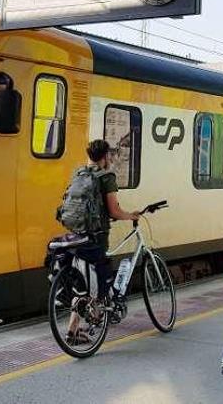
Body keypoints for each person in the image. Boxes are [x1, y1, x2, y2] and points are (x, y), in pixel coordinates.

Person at [64, 140, 140, 344]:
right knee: (98, 280)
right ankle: (97, 317)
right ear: (105, 156)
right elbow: (114, 210)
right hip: (97, 236)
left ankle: (72, 330)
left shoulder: (79, 173)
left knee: (83, 281)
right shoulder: (107, 177)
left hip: (77, 234)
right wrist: (130, 216)